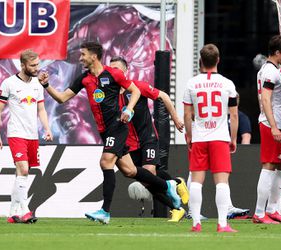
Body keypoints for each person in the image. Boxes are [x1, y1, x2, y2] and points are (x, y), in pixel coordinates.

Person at [38, 41, 181, 224]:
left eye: (83, 54)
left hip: (117, 127)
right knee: (129, 171)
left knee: (105, 162)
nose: (80, 58)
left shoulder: (113, 74)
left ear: (94, 56)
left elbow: (135, 91)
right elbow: (61, 98)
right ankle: (167, 185)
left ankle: (105, 212)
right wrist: (46, 85)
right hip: (104, 131)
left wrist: (128, 110)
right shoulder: (84, 79)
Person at [109, 56, 188, 222]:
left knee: (150, 171)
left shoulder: (137, 87)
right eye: (111, 69)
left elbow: (164, 96)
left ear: (125, 71)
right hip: (129, 144)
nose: (113, 73)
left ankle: (175, 192)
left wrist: (175, 119)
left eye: (116, 69)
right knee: (146, 180)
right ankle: (177, 201)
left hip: (147, 137)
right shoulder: (111, 94)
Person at [0, 49, 53, 224]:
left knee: (22, 174)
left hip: (32, 135)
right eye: (33, 65)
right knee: (24, 170)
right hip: (16, 133)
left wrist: (47, 128)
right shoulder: (9, 83)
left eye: (38, 64)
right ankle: (26, 211)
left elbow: (41, 109)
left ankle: (13, 213)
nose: (37, 68)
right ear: (23, 65)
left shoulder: (37, 84)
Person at [183, 44, 238, 233]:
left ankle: (195, 223)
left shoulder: (191, 83)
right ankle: (222, 224)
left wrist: (189, 136)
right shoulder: (227, 84)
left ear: (201, 61)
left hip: (199, 137)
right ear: (218, 60)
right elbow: (234, 116)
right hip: (220, 138)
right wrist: (233, 138)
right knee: (221, 182)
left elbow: (187, 115)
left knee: (197, 181)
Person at [253, 35, 281, 224]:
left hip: (279, 123)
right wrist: (274, 126)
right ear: (277, 53)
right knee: (269, 166)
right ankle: (260, 213)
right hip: (271, 125)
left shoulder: (271, 70)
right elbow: (266, 100)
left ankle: (272, 210)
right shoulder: (270, 71)